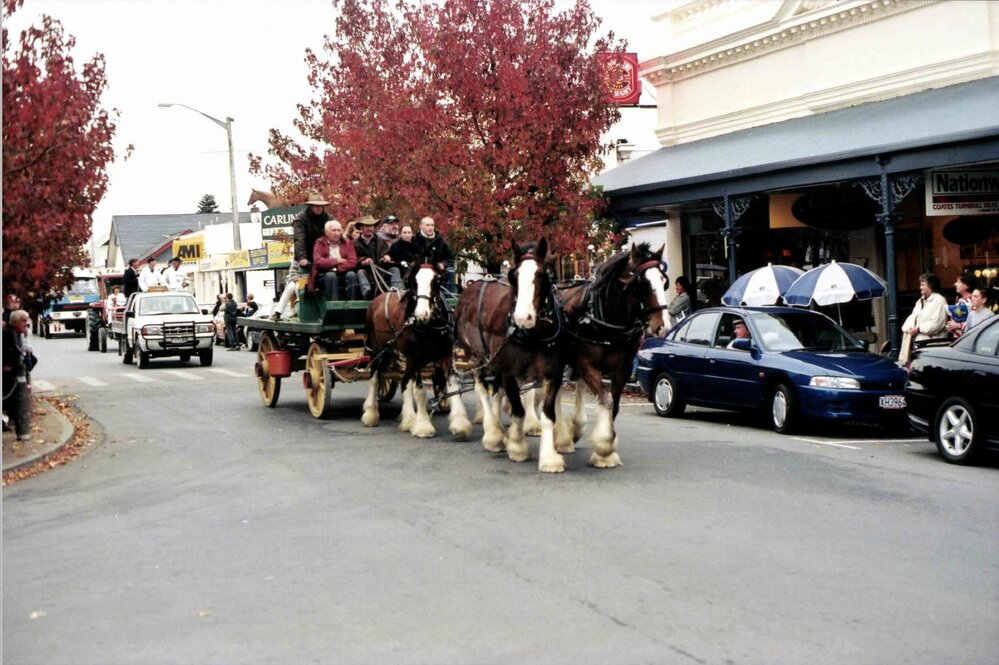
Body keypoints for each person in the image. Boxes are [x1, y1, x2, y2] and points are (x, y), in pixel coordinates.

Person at [273, 192, 330, 321]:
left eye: (321, 206)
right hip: (304, 259)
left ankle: (324, 311)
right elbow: (299, 239)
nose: (318, 208)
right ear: (310, 206)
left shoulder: (328, 219)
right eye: (315, 205)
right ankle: (279, 312)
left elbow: (333, 237)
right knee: (295, 286)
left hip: (322, 260)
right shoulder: (301, 219)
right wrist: (302, 258)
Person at [899, 272, 948, 364]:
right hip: (919, 345)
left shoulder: (940, 301)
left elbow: (936, 324)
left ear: (931, 286)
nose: (920, 287)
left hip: (932, 346)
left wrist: (918, 329)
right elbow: (913, 317)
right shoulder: (920, 301)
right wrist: (908, 329)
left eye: (923, 285)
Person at [3, 310, 34, 441]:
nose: (26, 324)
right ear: (15, 322)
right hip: (9, 373)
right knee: (10, 399)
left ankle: (16, 423)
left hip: (15, 371)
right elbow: (10, 351)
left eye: (26, 321)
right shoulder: (8, 334)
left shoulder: (16, 333)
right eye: (23, 321)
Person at [310, 219, 359, 301]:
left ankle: (352, 303)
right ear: (326, 232)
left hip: (343, 272)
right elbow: (318, 261)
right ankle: (334, 305)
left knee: (351, 275)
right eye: (333, 230)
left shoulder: (347, 243)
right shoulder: (319, 243)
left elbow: (353, 262)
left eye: (339, 230)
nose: (337, 233)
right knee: (331, 276)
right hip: (324, 275)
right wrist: (337, 261)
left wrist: (337, 268)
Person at [353, 215, 400, 298]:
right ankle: (367, 293)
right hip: (367, 273)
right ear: (361, 228)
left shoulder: (381, 241)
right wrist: (363, 261)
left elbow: (388, 253)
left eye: (371, 226)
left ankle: (396, 292)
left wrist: (387, 257)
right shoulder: (355, 243)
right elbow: (354, 259)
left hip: (381, 271)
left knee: (395, 270)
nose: (369, 228)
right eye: (366, 226)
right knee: (360, 272)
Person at [412, 216, 455, 293]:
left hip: (438, 270)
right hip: (419, 269)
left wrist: (443, 264)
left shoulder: (441, 241)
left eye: (432, 225)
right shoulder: (414, 240)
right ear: (421, 226)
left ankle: (449, 300)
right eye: (427, 225)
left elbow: (451, 258)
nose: (430, 228)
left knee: (450, 271)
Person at [945, 273, 976, 337]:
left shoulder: (973, 301)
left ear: (967, 285)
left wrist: (958, 326)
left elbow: (975, 322)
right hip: (957, 339)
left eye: (958, 282)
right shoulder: (959, 301)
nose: (955, 284)